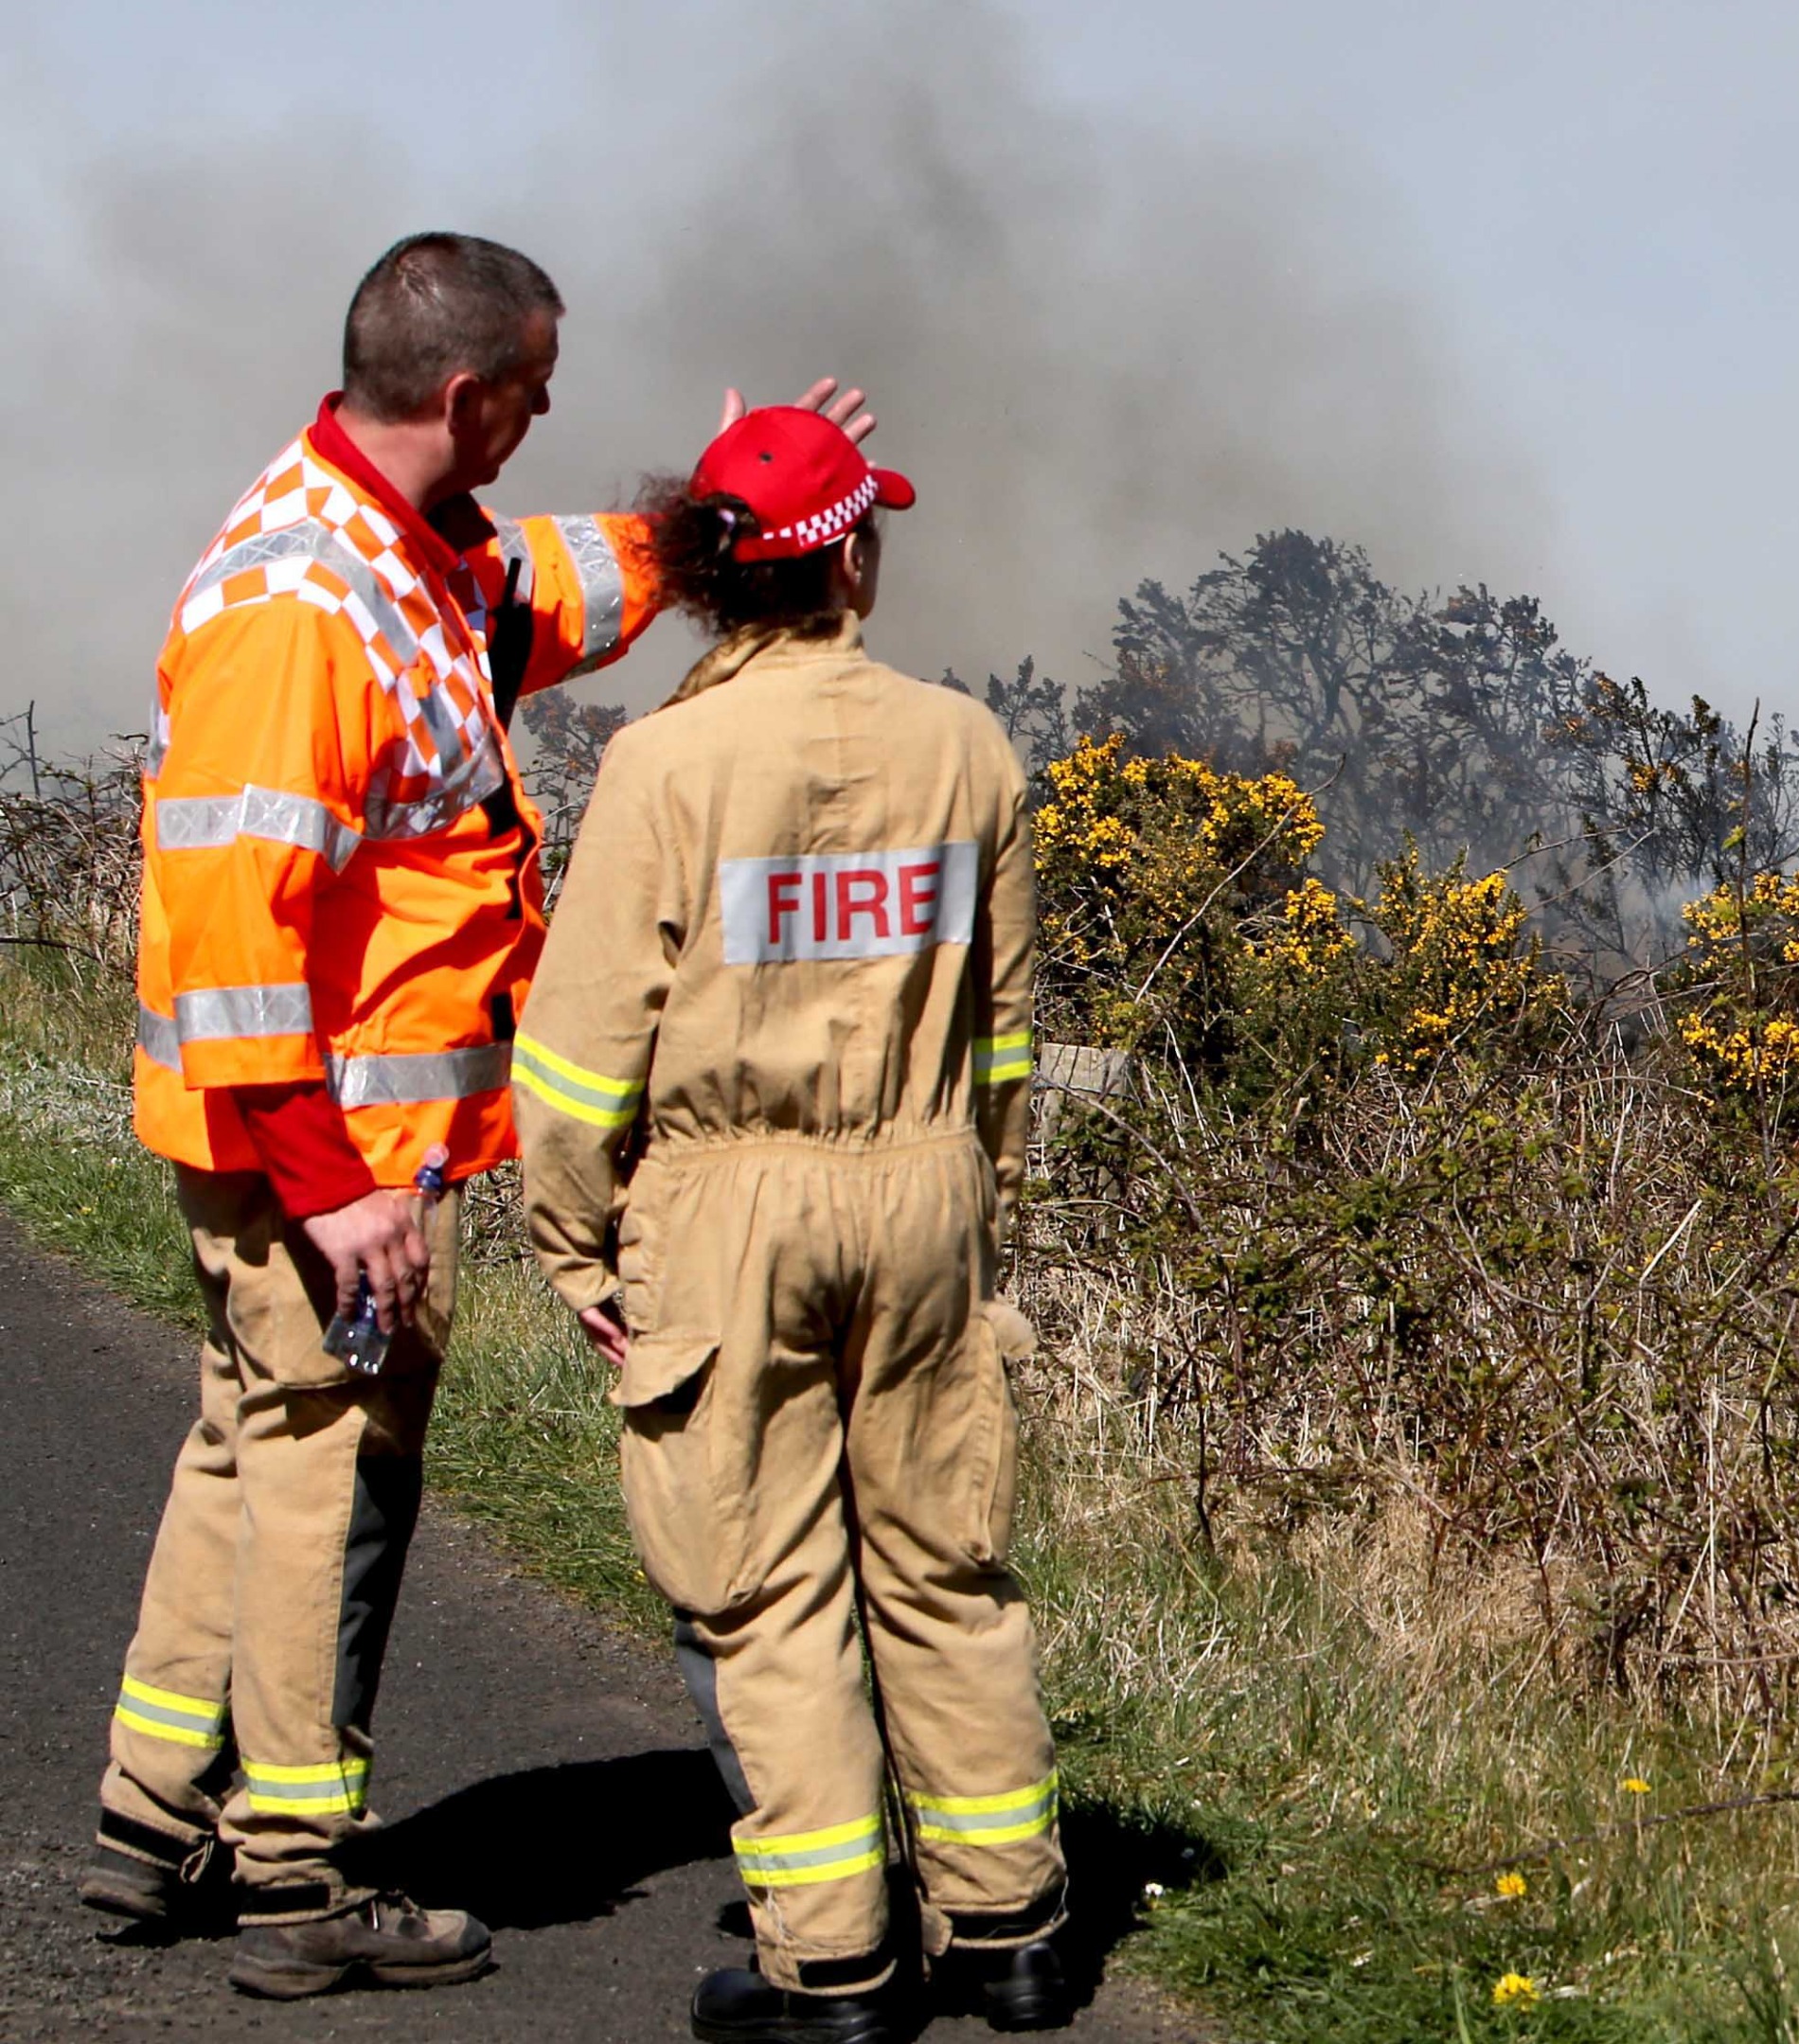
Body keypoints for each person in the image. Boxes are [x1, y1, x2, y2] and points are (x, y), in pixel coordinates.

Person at [92, 227, 875, 2000]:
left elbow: (528, 599)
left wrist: (708, 532)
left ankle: (152, 1821)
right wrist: (332, 1184)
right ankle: (299, 1874)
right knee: (320, 1473)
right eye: (532, 388)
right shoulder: (304, 605)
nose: (546, 414)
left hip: (341, 1141)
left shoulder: (400, 555)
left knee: (244, 1441)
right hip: (331, 1152)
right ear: (464, 394)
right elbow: (232, 935)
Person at [514, 402, 1064, 2044]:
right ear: (856, 563)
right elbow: (1006, 1026)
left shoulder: (666, 763)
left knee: (762, 1585)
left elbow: (578, 1051)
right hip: (926, 1189)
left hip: (723, 1202)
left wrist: (575, 1244)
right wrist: (980, 1199)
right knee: (945, 1562)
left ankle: (830, 1960)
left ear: (708, 583)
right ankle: (1010, 1930)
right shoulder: (969, 745)